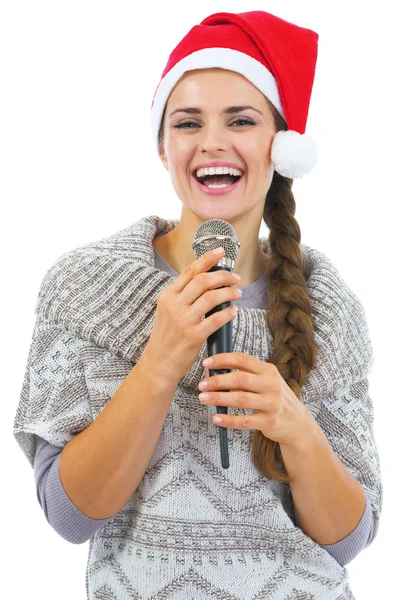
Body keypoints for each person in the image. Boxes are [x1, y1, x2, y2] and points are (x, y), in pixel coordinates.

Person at [12, 10, 382, 600]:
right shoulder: (84, 288)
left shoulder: (327, 303)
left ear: (280, 147)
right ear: (163, 147)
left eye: (241, 119)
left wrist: (295, 427)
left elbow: (347, 540)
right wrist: (160, 362)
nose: (212, 142)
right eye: (188, 122)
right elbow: (70, 516)